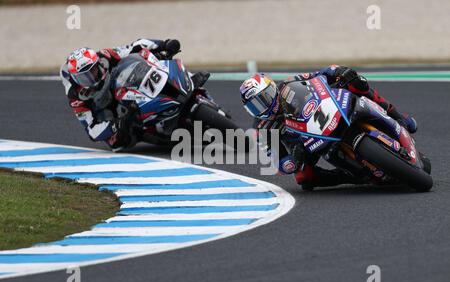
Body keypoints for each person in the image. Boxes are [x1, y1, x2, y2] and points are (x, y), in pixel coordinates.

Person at [239, 66, 418, 190]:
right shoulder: (263, 128)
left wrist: (340, 72)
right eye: (256, 105)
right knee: (304, 179)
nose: (263, 106)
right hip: (307, 144)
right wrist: (293, 160)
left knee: (358, 84)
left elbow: (322, 73)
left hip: (328, 112)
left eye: (265, 98)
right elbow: (279, 162)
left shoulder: (290, 83)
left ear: (272, 89)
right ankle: (349, 177)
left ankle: (399, 117)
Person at [60, 38, 209, 151]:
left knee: (156, 59)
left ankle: (186, 80)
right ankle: (156, 132)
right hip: (112, 113)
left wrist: (163, 44)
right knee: (117, 144)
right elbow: (92, 130)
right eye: (84, 77)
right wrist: (114, 125)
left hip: (124, 87)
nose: (91, 78)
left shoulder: (105, 56)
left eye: (92, 71)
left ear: (97, 63)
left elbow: (134, 46)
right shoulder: (76, 96)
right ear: (75, 78)